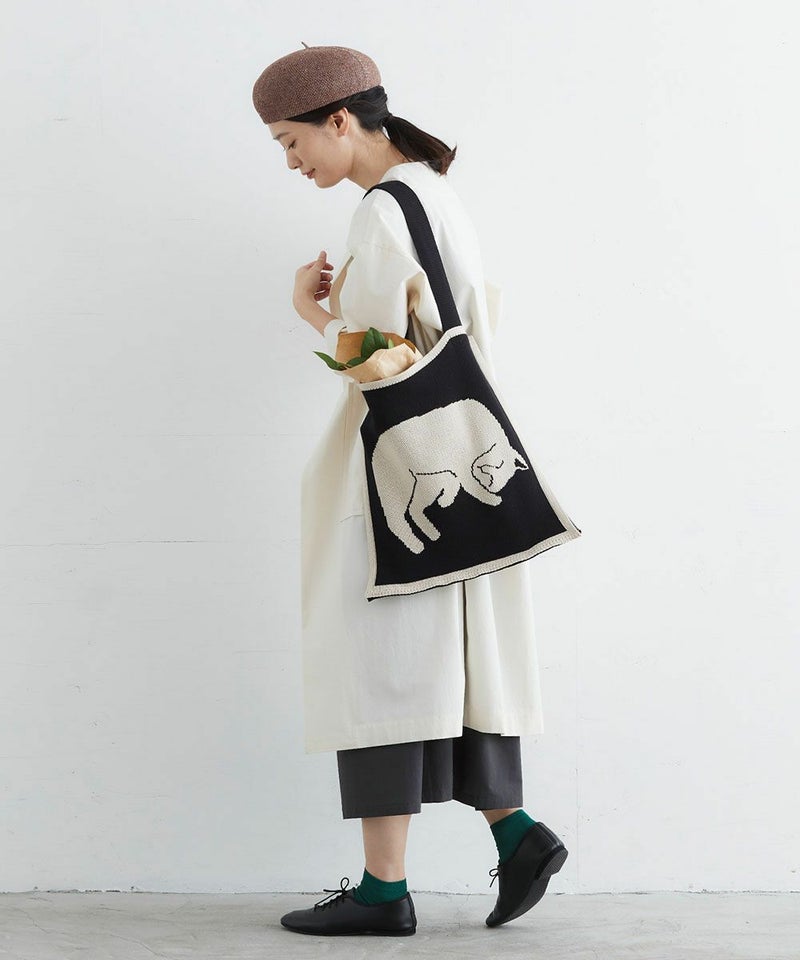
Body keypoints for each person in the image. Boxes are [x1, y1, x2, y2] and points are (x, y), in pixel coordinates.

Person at [251, 43, 568, 937]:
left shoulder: (382, 213)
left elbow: (375, 355)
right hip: (464, 465)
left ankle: (387, 892)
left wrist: (312, 311)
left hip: (405, 474)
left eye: (291, 141)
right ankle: (511, 834)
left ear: (340, 120)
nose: (291, 162)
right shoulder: (432, 193)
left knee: (379, 666)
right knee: (443, 665)